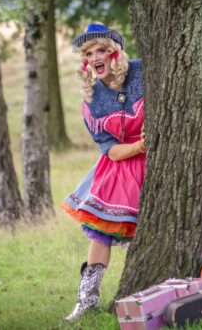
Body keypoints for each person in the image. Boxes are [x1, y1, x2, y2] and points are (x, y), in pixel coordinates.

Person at [61, 23, 146, 321]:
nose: (95, 57)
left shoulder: (142, 72)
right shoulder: (92, 101)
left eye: (101, 50)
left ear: (114, 53)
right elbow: (109, 150)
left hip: (157, 160)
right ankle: (86, 299)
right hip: (120, 164)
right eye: (88, 53)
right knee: (100, 232)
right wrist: (141, 145)